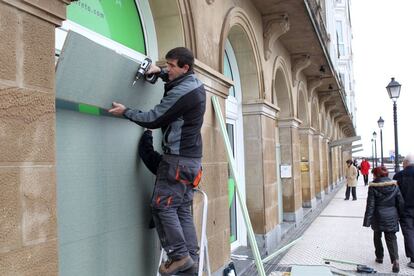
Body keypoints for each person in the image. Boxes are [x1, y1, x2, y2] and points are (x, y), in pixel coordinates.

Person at [109, 47, 205, 276]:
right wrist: (159, 72)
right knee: (181, 209)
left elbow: (154, 118)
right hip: (191, 162)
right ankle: (191, 258)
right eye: (167, 64)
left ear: (185, 67)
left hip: (178, 162)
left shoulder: (184, 92)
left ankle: (179, 256)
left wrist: (126, 112)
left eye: (171, 66)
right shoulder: (193, 83)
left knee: (162, 206)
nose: (167, 69)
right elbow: (175, 82)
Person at [363, 166, 404, 273]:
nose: (373, 176)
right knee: (391, 238)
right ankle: (395, 260)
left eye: (373, 174)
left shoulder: (373, 187)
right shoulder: (394, 186)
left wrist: (367, 220)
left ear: (376, 175)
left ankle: (379, 257)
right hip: (391, 216)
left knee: (377, 236)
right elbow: (400, 202)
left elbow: (370, 205)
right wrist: (400, 216)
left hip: (378, 216)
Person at [393, 154, 414, 269]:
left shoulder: (398, 176)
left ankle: (413, 259)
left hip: (405, 209)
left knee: (409, 233)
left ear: (406, 163)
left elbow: (394, 195)